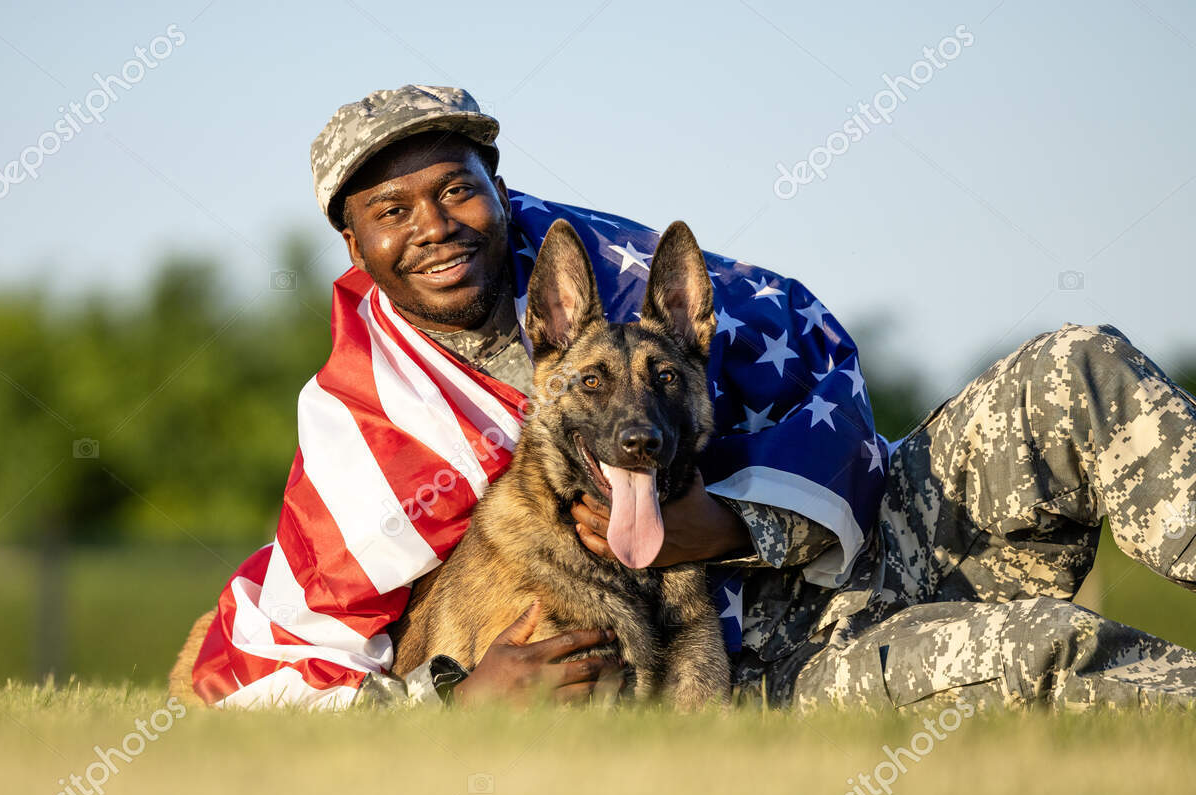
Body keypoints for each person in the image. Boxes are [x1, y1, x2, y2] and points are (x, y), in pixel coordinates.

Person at [185, 85, 1196, 712]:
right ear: (354, 245)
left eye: (455, 189)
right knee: (1037, 649)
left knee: (1076, 361)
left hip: (874, 531)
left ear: (499, 191)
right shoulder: (364, 419)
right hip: (762, 653)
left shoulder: (620, 280)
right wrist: (451, 704)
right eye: (390, 211)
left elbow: (824, 393)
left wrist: (721, 524)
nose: (435, 225)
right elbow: (311, 653)